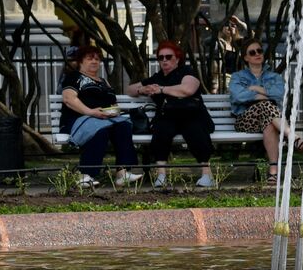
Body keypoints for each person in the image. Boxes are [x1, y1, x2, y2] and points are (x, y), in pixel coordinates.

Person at [126, 41, 214, 190]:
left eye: (168, 56)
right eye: (161, 58)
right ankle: (161, 175)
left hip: (191, 114)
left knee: (195, 130)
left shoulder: (186, 72)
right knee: (161, 130)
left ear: (177, 59)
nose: (164, 60)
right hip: (167, 116)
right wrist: (143, 89)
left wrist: (161, 89)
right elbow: (129, 89)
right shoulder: (157, 77)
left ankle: (207, 174)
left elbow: (187, 90)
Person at [61, 46, 142, 188]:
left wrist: (113, 111)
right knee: (100, 130)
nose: (94, 61)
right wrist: (91, 112)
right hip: (80, 119)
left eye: (97, 59)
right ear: (80, 61)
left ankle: (122, 173)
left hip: (104, 119)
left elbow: (112, 102)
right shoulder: (74, 77)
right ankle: (85, 175)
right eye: (90, 58)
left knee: (123, 126)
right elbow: (69, 99)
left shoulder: (104, 81)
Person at [228, 37, 303, 185]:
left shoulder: (273, 76)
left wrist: (255, 89)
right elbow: (238, 96)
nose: (257, 54)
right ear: (245, 57)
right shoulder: (238, 77)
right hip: (245, 121)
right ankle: (292, 136)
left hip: (268, 119)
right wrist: (263, 95)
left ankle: (273, 172)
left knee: (269, 122)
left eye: (259, 50)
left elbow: (280, 94)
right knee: (266, 105)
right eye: (252, 52)